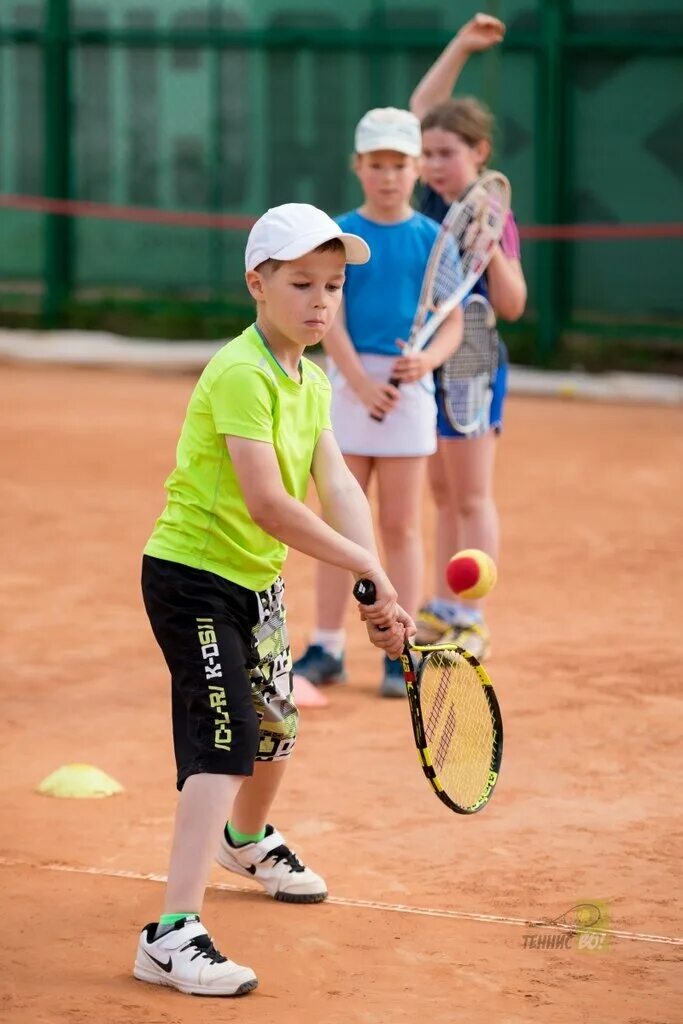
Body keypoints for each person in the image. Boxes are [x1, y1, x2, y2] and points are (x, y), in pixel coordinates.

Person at [133, 202, 415, 997]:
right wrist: (358, 558)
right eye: (301, 284)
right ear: (256, 284)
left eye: (332, 285)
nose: (320, 300)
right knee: (226, 737)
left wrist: (377, 576)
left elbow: (333, 484)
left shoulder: (311, 377)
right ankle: (170, 935)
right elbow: (268, 502)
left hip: (253, 579)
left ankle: (246, 840)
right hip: (191, 576)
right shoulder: (241, 372)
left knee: (277, 729)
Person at [292, 108, 463, 697]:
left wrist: (427, 361)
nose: (388, 176)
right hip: (347, 384)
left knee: (399, 525)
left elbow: (453, 324)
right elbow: (326, 312)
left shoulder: (434, 240)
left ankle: (399, 649)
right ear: (358, 167)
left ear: (416, 169)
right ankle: (326, 646)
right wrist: (356, 379)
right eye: (376, 164)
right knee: (342, 524)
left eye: (399, 164)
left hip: (409, 391)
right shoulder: (339, 235)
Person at [409, 14, 528, 657]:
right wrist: (461, 43)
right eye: (427, 153)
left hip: (474, 355)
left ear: (479, 153)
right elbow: (422, 108)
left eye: (447, 153)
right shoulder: (425, 200)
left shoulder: (491, 210)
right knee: (439, 490)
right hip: (426, 353)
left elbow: (512, 304)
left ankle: (471, 614)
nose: (433, 163)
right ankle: (443, 605)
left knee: (472, 491)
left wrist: (492, 251)